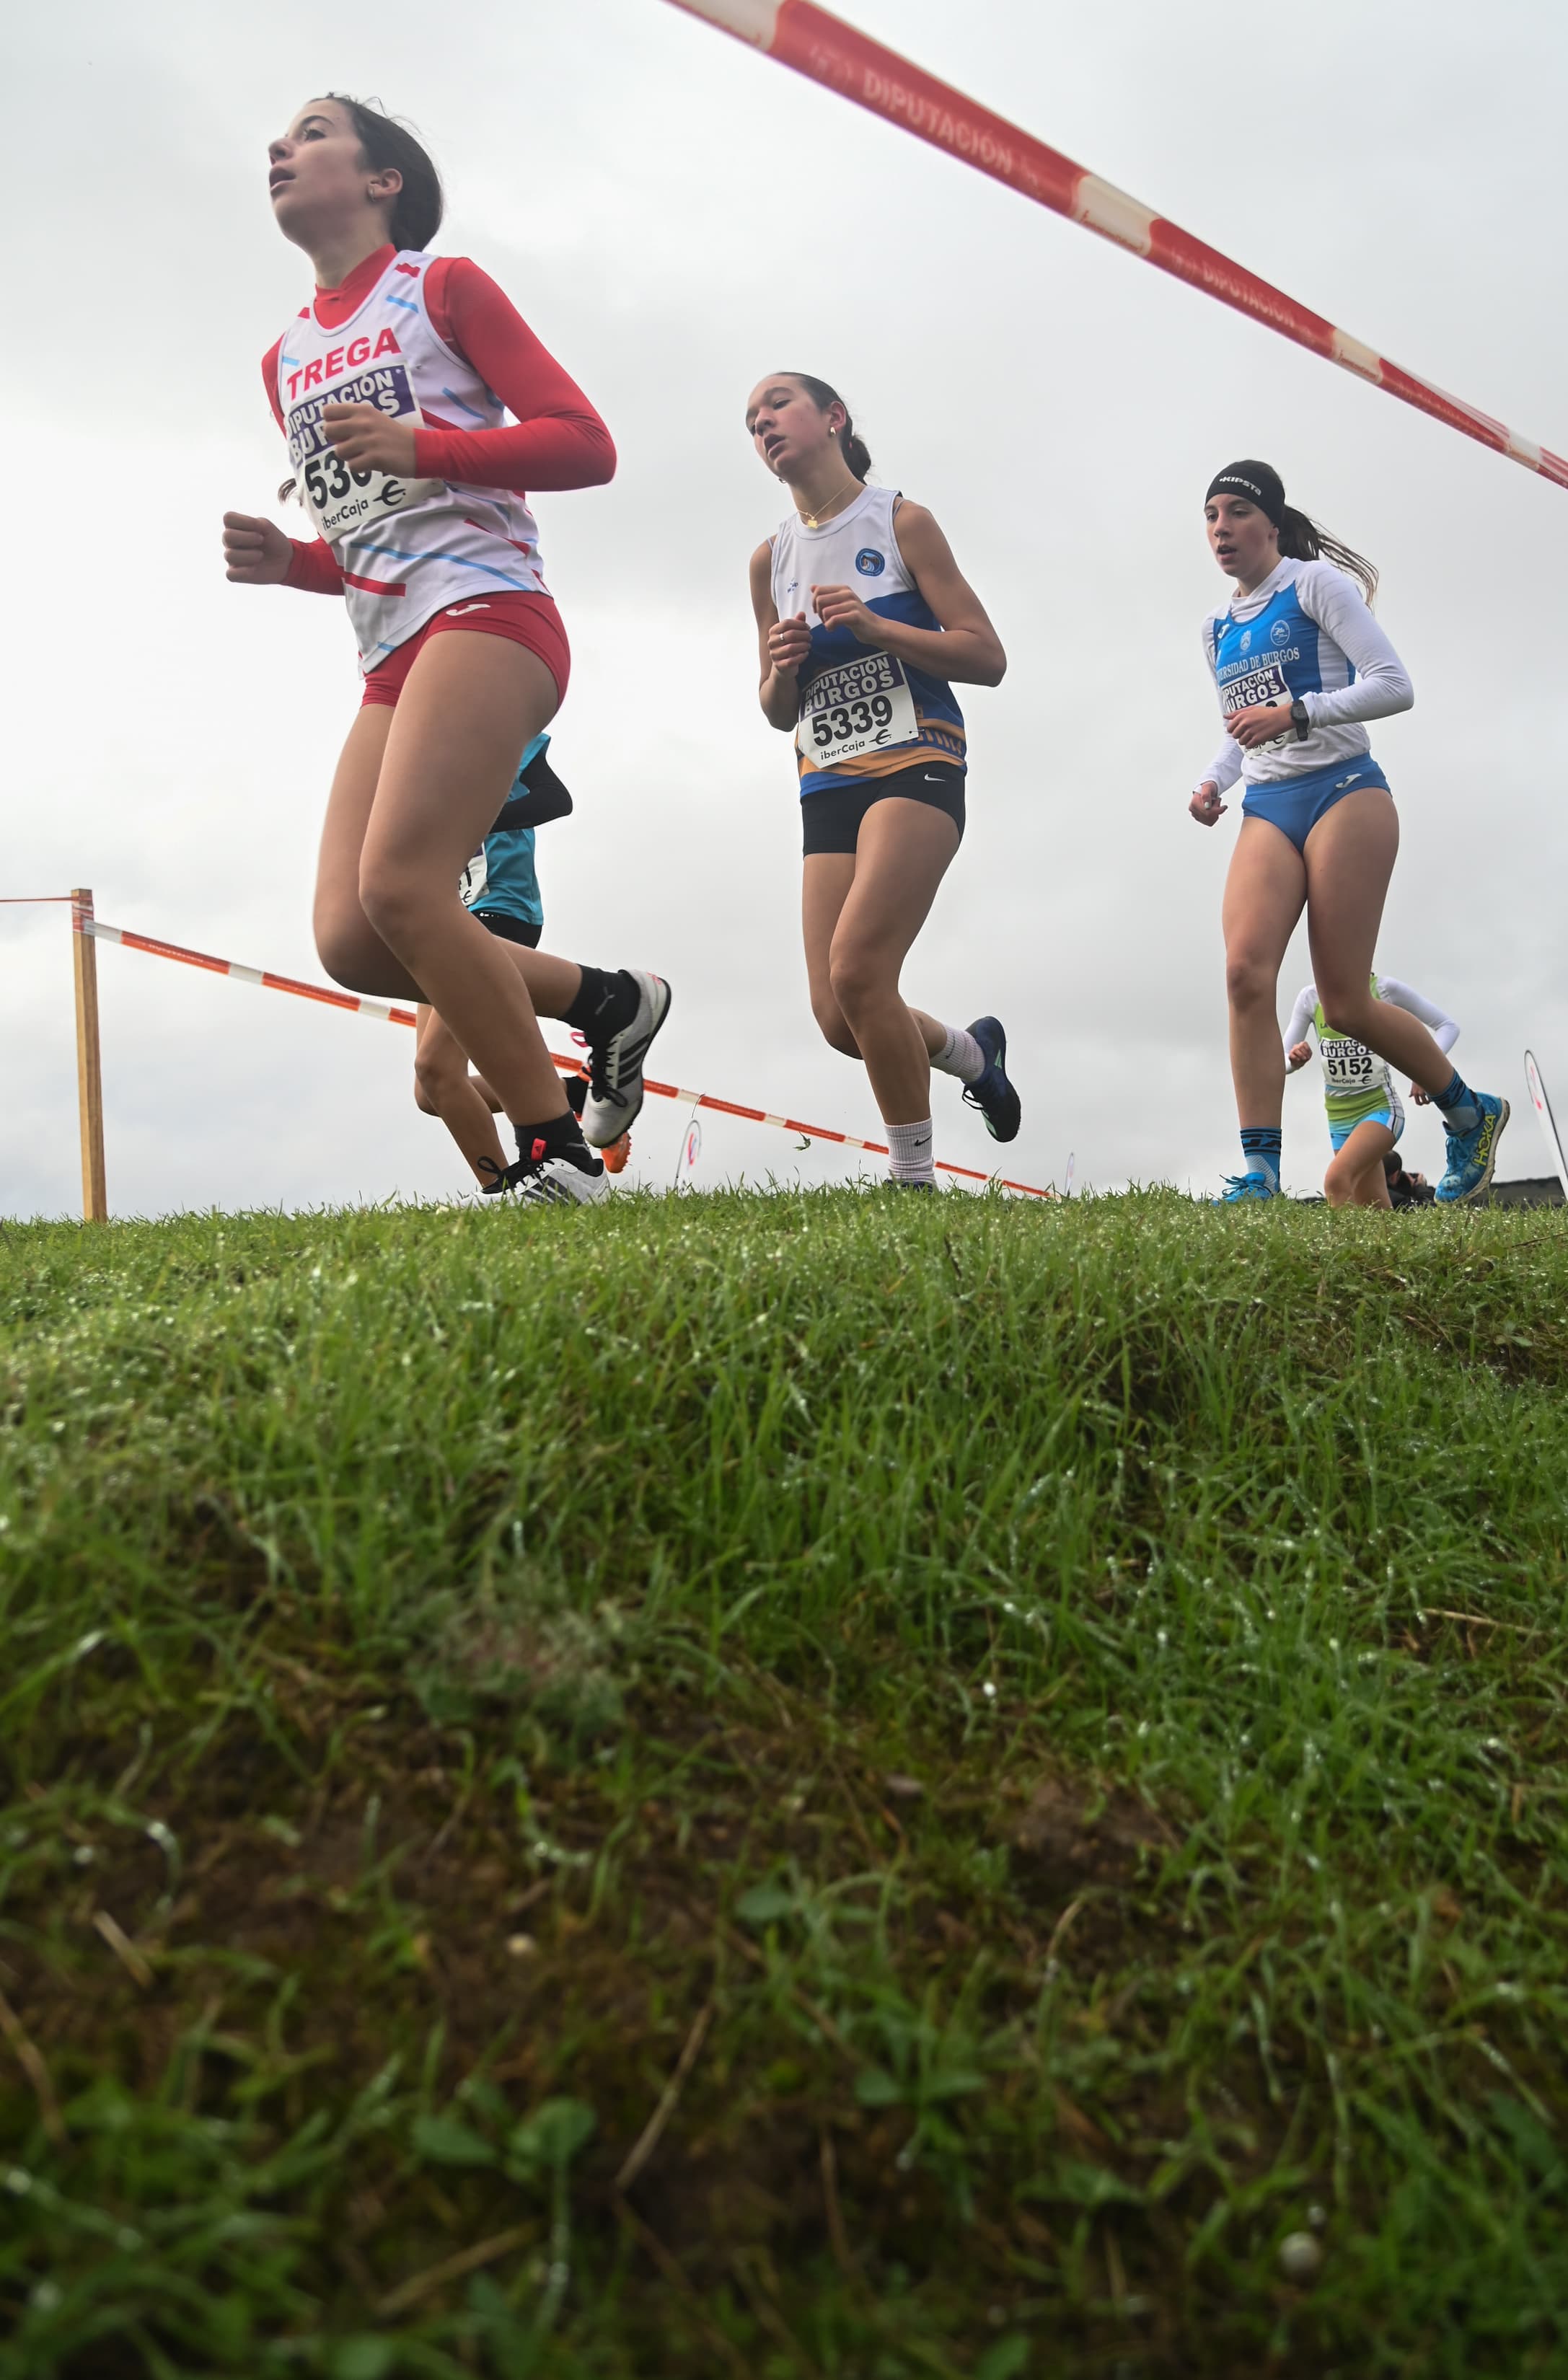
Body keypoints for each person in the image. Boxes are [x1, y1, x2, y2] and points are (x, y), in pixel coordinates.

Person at [221, 94, 668, 1205]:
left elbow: (585, 444)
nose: (282, 148)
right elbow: (372, 534)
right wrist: (295, 561)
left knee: (406, 886)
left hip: (492, 612)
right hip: (388, 651)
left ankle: (558, 1158)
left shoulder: (444, 287)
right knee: (355, 939)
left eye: (315, 133)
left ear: (384, 183)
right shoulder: (284, 360)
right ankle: (609, 1003)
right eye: (280, 138)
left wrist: (427, 441)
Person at [1188, 460, 1507, 1206]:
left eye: (1235, 512)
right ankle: (1259, 1174)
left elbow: (1392, 683)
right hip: (1267, 804)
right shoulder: (1213, 628)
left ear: (1270, 522)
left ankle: (1469, 1112)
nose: (1220, 529)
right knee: (1243, 976)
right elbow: (1239, 728)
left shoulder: (1312, 586)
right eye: (1209, 516)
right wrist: (1212, 782)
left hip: (1343, 793)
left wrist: (1298, 713)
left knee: (1345, 1000)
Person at [744, 372, 1020, 1191]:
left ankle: (910, 1183)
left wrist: (875, 626)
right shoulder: (769, 560)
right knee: (837, 1014)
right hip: (826, 780)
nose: (763, 424)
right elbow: (769, 708)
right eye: (750, 421)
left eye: (777, 406)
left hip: (916, 758)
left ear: (832, 419)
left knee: (861, 971)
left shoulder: (900, 520)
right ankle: (972, 1056)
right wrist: (783, 672)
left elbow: (986, 656)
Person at [413, 736, 632, 1194]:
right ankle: (575, 1096)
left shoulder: (499, 727)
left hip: (500, 909)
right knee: (431, 1090)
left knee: (436, 1068)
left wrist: (472, 822)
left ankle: (504, 1193)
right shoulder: (409, 745)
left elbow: (556, 800)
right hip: (436, 916)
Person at [1284, 971, 1458, 1209]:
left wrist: (1424, 1071)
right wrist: (1294, 1059)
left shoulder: (1384, 989)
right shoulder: (1310, 998)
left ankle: (1342, 1247)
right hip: (1338, 1120)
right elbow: (1281, 1062)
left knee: (1336, 1180)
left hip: (1381, 1110)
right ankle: (1388, 1246)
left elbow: (1447, 1027)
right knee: (1375, 1214)